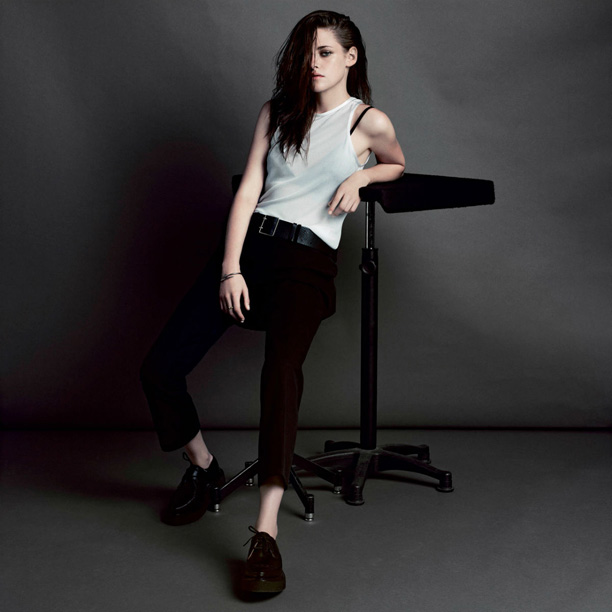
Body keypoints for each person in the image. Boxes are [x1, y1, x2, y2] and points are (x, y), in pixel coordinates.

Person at [140, 9, 405, 594]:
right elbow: (249, 191)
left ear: (350, 57)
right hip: (251, 251)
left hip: (306, 264)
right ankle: (203, 468)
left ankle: (265, 534)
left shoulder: (367, 121)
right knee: (159, 367)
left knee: (281, 373)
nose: (313, 63)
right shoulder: (277, 110)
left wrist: (360, 178)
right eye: (306, 52)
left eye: (326, 52)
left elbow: (397, 163)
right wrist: (230, 268)